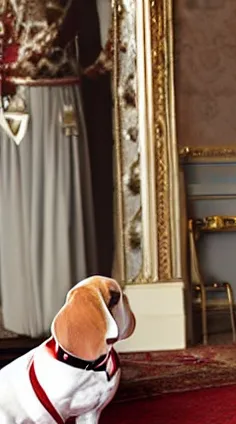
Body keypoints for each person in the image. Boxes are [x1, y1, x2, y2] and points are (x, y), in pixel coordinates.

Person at [0, 1, 111, 338]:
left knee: (57, 195)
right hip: (17, 98)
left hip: (54, 95)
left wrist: (100, 63)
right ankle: (28, 307)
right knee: (21, 199)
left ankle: (62, 307)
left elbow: (116, 21)